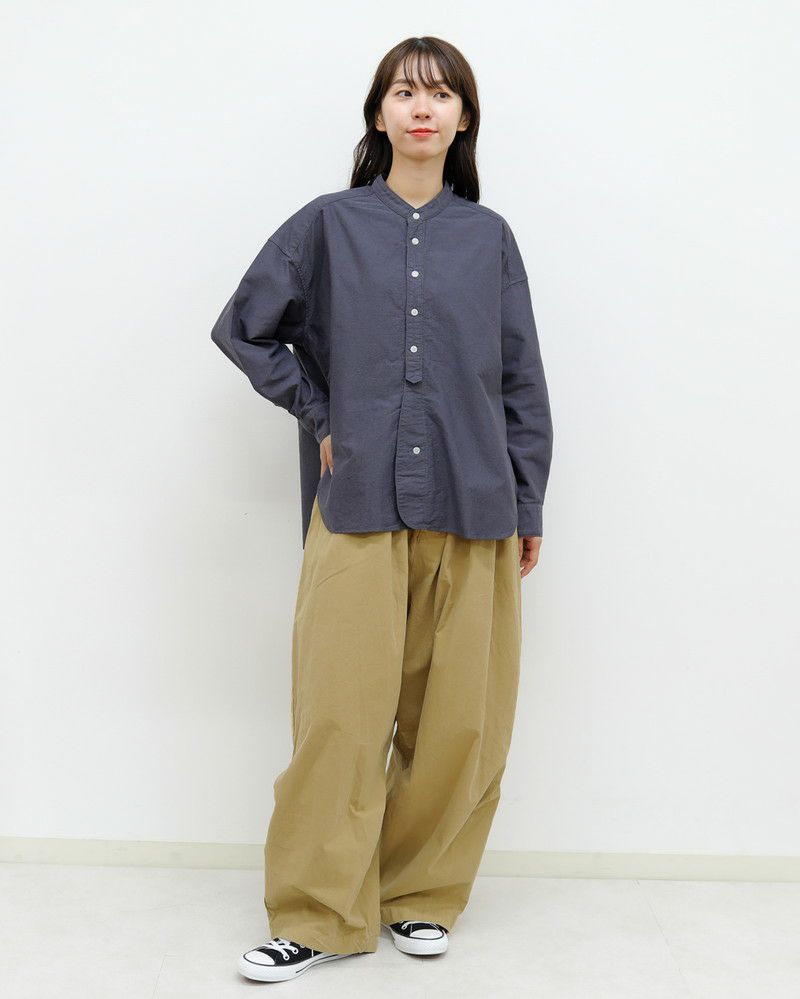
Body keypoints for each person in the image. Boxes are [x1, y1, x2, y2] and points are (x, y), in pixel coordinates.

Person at [211, 35, 554, 984]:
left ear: (464, 119)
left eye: (441, 94)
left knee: (459, 722)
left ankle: (420, 894)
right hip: (357, 500)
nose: (422, 107)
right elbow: (244, 327)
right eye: (405, 92)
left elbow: (520, 378)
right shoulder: (328, 225)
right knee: (339, 715)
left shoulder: (489, 238)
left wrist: (528, 498)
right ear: (379, 114)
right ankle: (317, 913)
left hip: (475, 499)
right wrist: (321, 414)